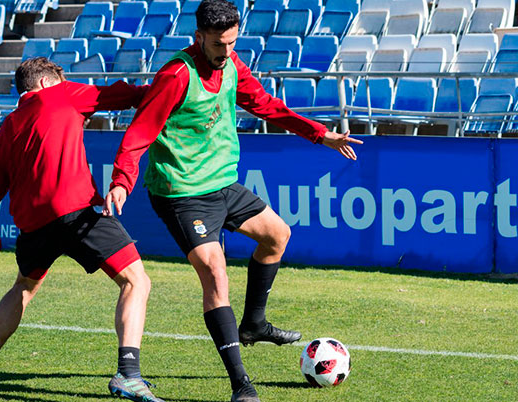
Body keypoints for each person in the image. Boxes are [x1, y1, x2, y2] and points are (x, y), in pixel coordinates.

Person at [103, 1, 363, 400]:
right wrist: (122, 180)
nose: (226, 52)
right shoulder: (175, 75)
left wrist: (319, 134)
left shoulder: (233, 65)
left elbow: (266, 105)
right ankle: (241, 383)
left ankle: (254, 324)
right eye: (219, 44)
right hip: (182, 192)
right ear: (199, 37)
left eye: (232, 43)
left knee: (277, 236)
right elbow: (140, 131)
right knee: (216, 275)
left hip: (223, 183)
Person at [0, 57, 164, 402]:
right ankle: (129, 373)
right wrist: (161, 92)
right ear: (43, 83)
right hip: (76, 212)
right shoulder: (62, 94)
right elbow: (118, 96)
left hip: (33, 225)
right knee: (136, 280)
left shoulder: (8, 128)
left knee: (23, 286)